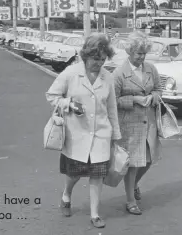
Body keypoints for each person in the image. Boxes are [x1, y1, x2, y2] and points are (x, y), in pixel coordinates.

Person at [46, 34, 121, 228]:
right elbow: (52, 95)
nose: (99, 63)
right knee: (75, 174)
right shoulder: (71, 73)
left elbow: (112, 108)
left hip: (101, 134)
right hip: (76, 134)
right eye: (96, 58)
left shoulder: (108, 77)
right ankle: (66, 195)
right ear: (85, 56)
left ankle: (95, 214)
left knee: (97, 175)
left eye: (103, 59)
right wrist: (68, 103)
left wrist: (116, 135)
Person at [113, 36, 162, 215]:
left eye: (144, 53)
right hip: (129, 123)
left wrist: (154, 97)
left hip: (148, 121)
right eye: (138, 53)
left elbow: (158, 89)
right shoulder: (119, 73)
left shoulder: (151, 69)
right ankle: (130, 200)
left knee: (148, 160)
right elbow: (113, 100)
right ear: (129, 52)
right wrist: (134, 100)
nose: (142, 57)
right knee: (133, 163)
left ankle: (133, 185)